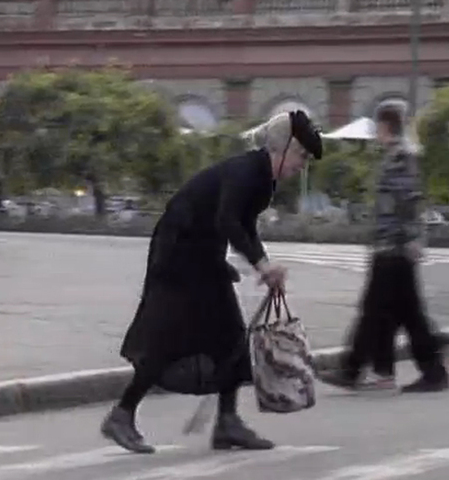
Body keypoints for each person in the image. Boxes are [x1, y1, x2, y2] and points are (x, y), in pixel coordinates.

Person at [100, 110, 322, 454]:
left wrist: (264, 266)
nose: (302, 165)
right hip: (178, 252)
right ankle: (122, 414)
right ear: (281, 149)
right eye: (301, 156)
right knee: (168, 339)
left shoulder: (263, 180)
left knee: (231, 335)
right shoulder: (247, 171)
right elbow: (227, 220)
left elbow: (245, 226)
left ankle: (227, 423)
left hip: (204, 253)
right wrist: (262, 265)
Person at [320, 100, 449, 394]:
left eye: (377, 126)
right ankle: (426, 370)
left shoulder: (401, 157)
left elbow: (408, 201)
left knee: (376, 310)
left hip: (393, 245)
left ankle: (353, 369)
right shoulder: (398, 154)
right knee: (404, 312)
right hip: (392, 244)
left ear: (384, 126)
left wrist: (412, 238)